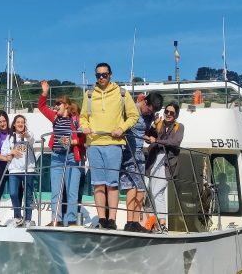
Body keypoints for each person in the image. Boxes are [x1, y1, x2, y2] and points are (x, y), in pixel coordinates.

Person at [80, 62, 139, 230]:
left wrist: (122, 128)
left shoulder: (121, 93)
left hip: (114, 144)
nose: (101, 78)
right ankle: (102, 219)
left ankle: (112, 220)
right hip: (94, 143)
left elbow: (134, 115)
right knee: (98, 183)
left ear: (110, 75)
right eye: (98, 75)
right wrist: (84, 126)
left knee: (112, 184)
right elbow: (83, 116)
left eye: (104, 75)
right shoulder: (89, 94)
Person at [38, 80, 85, 226]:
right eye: (56, 104)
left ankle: (71, 220)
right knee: (56, 191)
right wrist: (45, 92)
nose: (56, 106)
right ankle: (56, 220)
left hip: (72, 156)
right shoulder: (55, 117)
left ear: (66, 105)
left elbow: (84, 138)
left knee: (72, 190)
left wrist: (72, 142)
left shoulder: (75, 120)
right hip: (57, 157)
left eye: (58, 104)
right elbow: (41, 106)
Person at [120, 92, 163, 232]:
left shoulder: (150, 116)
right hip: (128, 151)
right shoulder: (131, 110)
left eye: (153, 112)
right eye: (149, 109)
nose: (150, 113)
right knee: (133, 186)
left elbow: (145, 132)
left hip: (139, 153)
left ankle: (134, 221)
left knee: (141, 188)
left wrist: (151, 133)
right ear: (144, 102)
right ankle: (130, 222)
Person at [146, 102, 184, 233]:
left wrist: (157, 141)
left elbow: (175, 142)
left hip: (168, 162)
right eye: (167, 111)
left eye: (171, 113)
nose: (168, 114)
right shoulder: (159, 124)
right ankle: (158, 223)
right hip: (154, 160)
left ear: (176, 115)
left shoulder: (179, 127)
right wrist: (155, 125)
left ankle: (162, 224)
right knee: (152, 191)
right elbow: (148, 137)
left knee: (158, 191)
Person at [1, 115, 36, 227]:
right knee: (13, 193)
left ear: (24, 124)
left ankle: (28, 219)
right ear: (14, 124)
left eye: (22, 122)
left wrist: (26, 135)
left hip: (28, 170)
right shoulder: (9, 138)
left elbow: (32, 140)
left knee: (28, 195)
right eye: (18, 122)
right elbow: (4, 151)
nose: (20, 124)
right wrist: (12, 152)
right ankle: (17, 216)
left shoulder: (29, 135)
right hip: (14, 170)